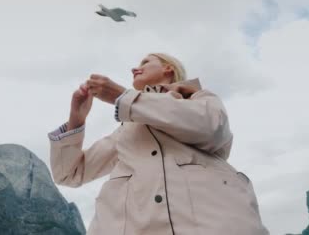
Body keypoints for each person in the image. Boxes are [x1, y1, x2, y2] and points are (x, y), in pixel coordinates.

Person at [48, 53, 269, 235]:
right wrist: (76, 119)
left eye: (145, 62)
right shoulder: (126, 131)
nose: (135, 68)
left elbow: (211, 127)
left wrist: (123, 97)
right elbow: (69, 173)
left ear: (168, 68)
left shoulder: (199, 99)